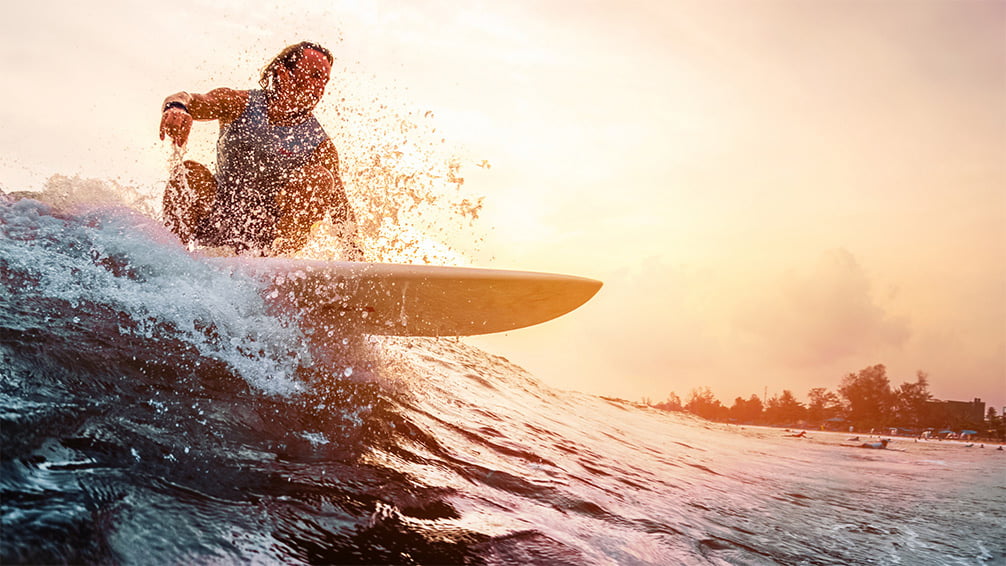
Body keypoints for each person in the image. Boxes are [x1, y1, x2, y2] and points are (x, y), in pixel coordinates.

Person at [159, 41, 361, 257]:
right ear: (283, 74)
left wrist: (358, 262)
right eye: (314, 75)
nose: (320, 88)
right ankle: (171, 260)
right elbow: (189, 99)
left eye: (325, 81)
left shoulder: (319, 144)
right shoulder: (239, 103)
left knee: (320, 178)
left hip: (269, 237)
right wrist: (177, 108)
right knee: (189, 172)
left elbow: (341, 211)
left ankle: (275, 264)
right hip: (217, 220)